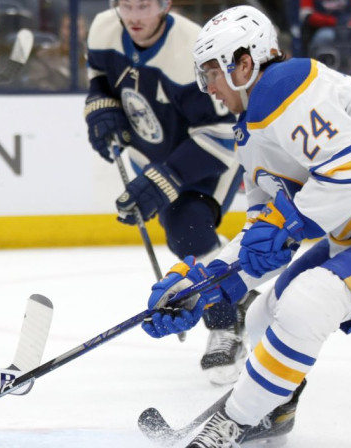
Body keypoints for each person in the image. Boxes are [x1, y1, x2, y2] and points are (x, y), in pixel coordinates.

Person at [141, 5, 351, 446]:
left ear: (244, 63)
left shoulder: (287, 86)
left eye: (212, 72)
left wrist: (291, 220)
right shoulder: (252, 128)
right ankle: (271, 413)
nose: (209, 87)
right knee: (266, 315)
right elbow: (264, 238)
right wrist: (204, 283)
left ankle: (237, 421)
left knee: (308, 301)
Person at [85, 0, 246, 385]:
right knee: (181, 238)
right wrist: (101, 106)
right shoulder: (103, 28)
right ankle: (231, 288)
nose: (135, 16)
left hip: (206, 156)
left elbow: (223, 133)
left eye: (145, 6)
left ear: (165, 5)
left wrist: (170, 176)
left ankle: (228, 325)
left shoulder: (193, 47)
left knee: (188, 229)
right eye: (127, 5)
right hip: (153, 154)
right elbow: (100, 78)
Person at [23, 14, 89, 91]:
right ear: (61, 30)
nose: (73, 32)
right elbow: (36, 83)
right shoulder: (44, 56)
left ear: (85, 31)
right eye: (68, 28)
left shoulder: (94, 56)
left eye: (77, 28)